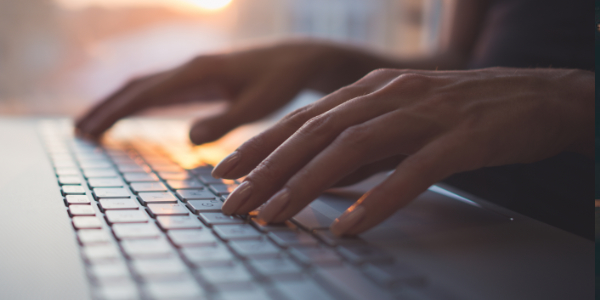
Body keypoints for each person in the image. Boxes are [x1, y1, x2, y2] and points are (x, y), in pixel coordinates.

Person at [76, 0, 594, 238]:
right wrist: (329, 62)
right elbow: (470, 67)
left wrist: (573, 102)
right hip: (454, 214)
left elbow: (526, 90)